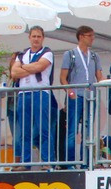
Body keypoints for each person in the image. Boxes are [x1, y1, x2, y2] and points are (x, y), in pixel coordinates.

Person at [10, 26, 57, 166]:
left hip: (40, 92)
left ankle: (47, 160)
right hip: (24, 93)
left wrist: (23, 67)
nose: (36, 39)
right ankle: (26, 163)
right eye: (34, 36)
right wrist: (31, 67)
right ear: (29, 38)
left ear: (42, 38)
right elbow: (14, 73)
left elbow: (40, 67)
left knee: (43, 128)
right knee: (24, 131)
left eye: (39, 36)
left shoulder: (47, 53)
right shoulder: (22, 54)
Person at [60, 26, 105, 163]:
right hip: (76, 96)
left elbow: (99, 77)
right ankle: (71, 162)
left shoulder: (94, 56)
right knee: (73, 130)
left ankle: (85, 161)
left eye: (93, 35)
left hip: (90, 97)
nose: (92, 38)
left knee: (88, 131)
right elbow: (63, 77)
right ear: (81, 37)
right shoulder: (70, 54)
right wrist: (70, 92)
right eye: (89, 35)